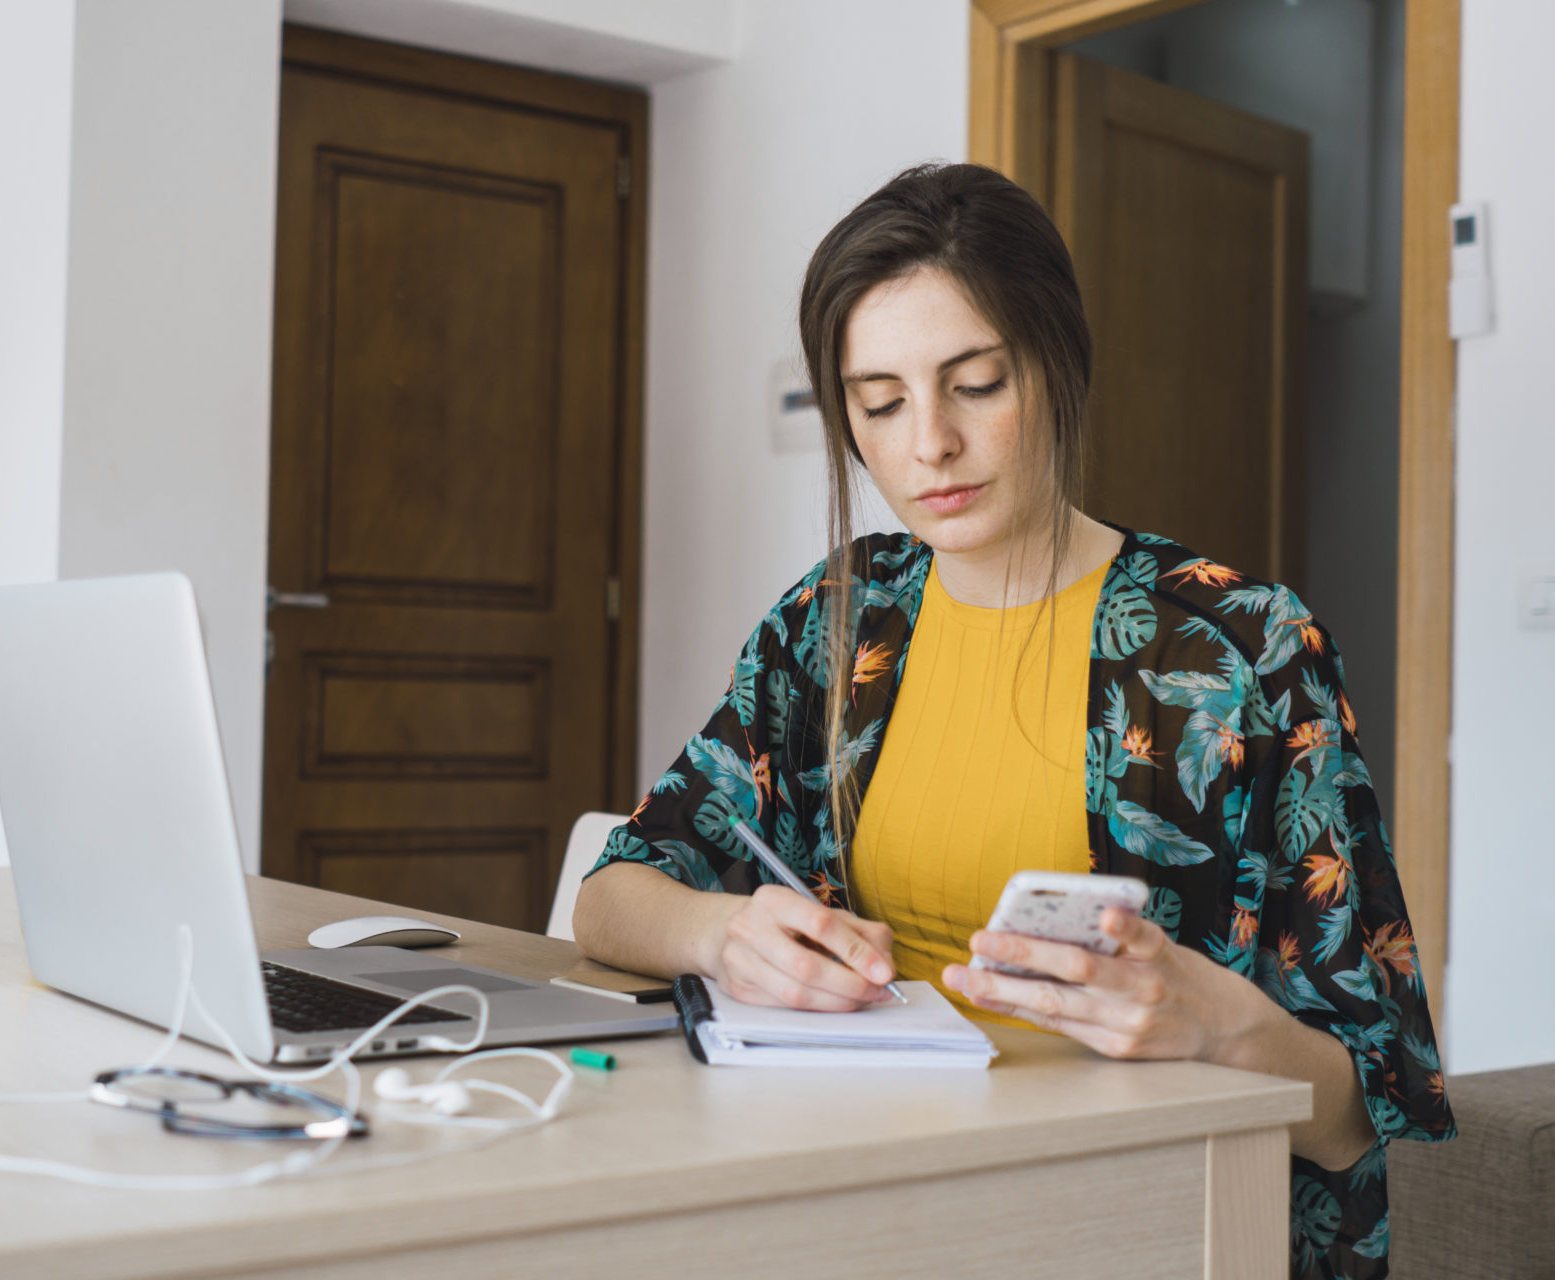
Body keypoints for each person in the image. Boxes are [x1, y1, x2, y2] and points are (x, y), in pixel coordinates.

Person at [572, 162, 1452, 1280]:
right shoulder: (838, 619)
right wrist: (720, 933)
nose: (928, 443)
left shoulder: (1240, 650)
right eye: (880, 403)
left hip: (1127, 1217)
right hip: (849, 1191)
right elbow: (612, 894)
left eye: (975, 383)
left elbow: (1367, 1115)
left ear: (1056, 364)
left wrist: (1216, 1025)